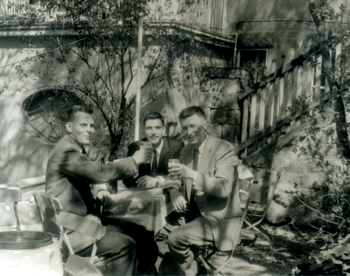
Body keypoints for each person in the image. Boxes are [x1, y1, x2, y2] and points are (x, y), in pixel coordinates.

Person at [45, 105, 152, 276]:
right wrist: (134, 160)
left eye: (92, 126)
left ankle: (145, 272)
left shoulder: (73, 148)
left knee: (140, 231)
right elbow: (99, 173)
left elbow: (89, 173)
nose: (89, 130)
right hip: (70, 232)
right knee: (126, 245)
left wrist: (98, 192)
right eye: (83, 125)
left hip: (76, 223)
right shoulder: (66, 152)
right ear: (69, 127)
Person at [167, 106, 241, 275]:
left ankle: (190, 271)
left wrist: (192, 175)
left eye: (193, 126)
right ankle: (187, 268)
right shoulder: (186, 151)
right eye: (185, 128)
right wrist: (174, 191)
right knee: (158, 230)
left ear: (205, 124)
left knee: (175, 238)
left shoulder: (223, 148)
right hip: (192, 213)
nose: (189, 132)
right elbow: (172, 179)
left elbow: (223, 188)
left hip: (216, 219)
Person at [124, 112, 184, 189]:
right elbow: (126, 181)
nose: (153, 133)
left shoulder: (176, 146)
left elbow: (179, 176)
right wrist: (136, 164)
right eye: (149, 128)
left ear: (163, 130)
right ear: (144, 131)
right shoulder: (135, 147)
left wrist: (157, 181)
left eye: (157, 128)